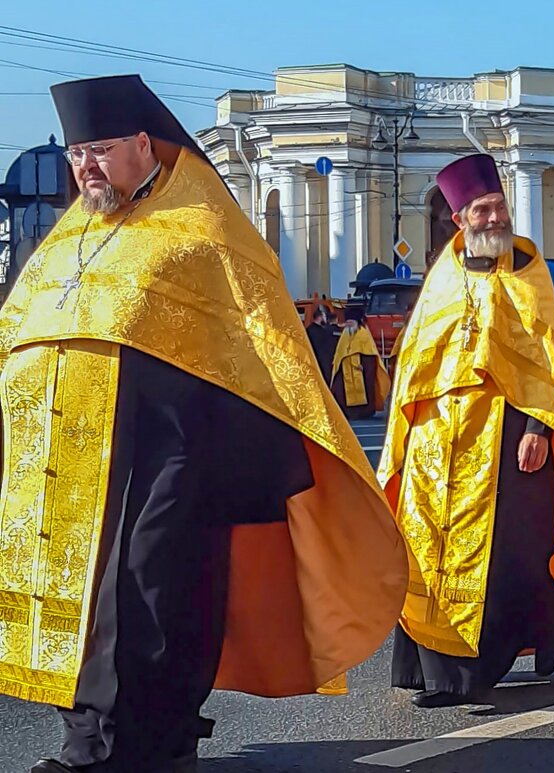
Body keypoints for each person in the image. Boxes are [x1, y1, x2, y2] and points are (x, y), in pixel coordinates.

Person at [0, 75, 406, 773]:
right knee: (79, 606)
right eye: (76, 157)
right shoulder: (67, 241)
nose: (85, 169)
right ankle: (87, 743)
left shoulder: (203, 224)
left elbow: (260, 336)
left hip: (169, 459)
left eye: (97, 151)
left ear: (139, 143)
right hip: (68, 466)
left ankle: (155, 746)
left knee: (150, 597)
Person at [379, 153, 554, 708]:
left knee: (505, 553)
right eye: (481, 210)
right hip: (436, 441)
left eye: (499, 208)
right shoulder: (440, 277)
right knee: (426, 549)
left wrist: (537, 426)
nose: (493, 219)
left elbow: (547, 362)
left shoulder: (527, 275)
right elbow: (416, 361)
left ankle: (477, 667)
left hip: (504, 437)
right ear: (459, 219)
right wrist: (409, 437)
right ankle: (433, 670)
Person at [330, 315, 391, 419]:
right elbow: (340, 351)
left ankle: (364, 412)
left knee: (366, 388)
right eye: (347, 321)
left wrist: (365, 367)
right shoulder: (345, 333)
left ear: (356, 321)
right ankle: (348, 412)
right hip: (345, 368)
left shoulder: (363, 333)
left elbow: (369, 353)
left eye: (350, 320)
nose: (348, 323)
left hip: (361, 368)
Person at [305, 305, 340, 384]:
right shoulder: (321, 332)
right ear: (321, 316)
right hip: (323, 364)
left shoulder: (308, 330)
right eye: (325, 316)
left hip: (315, 364)